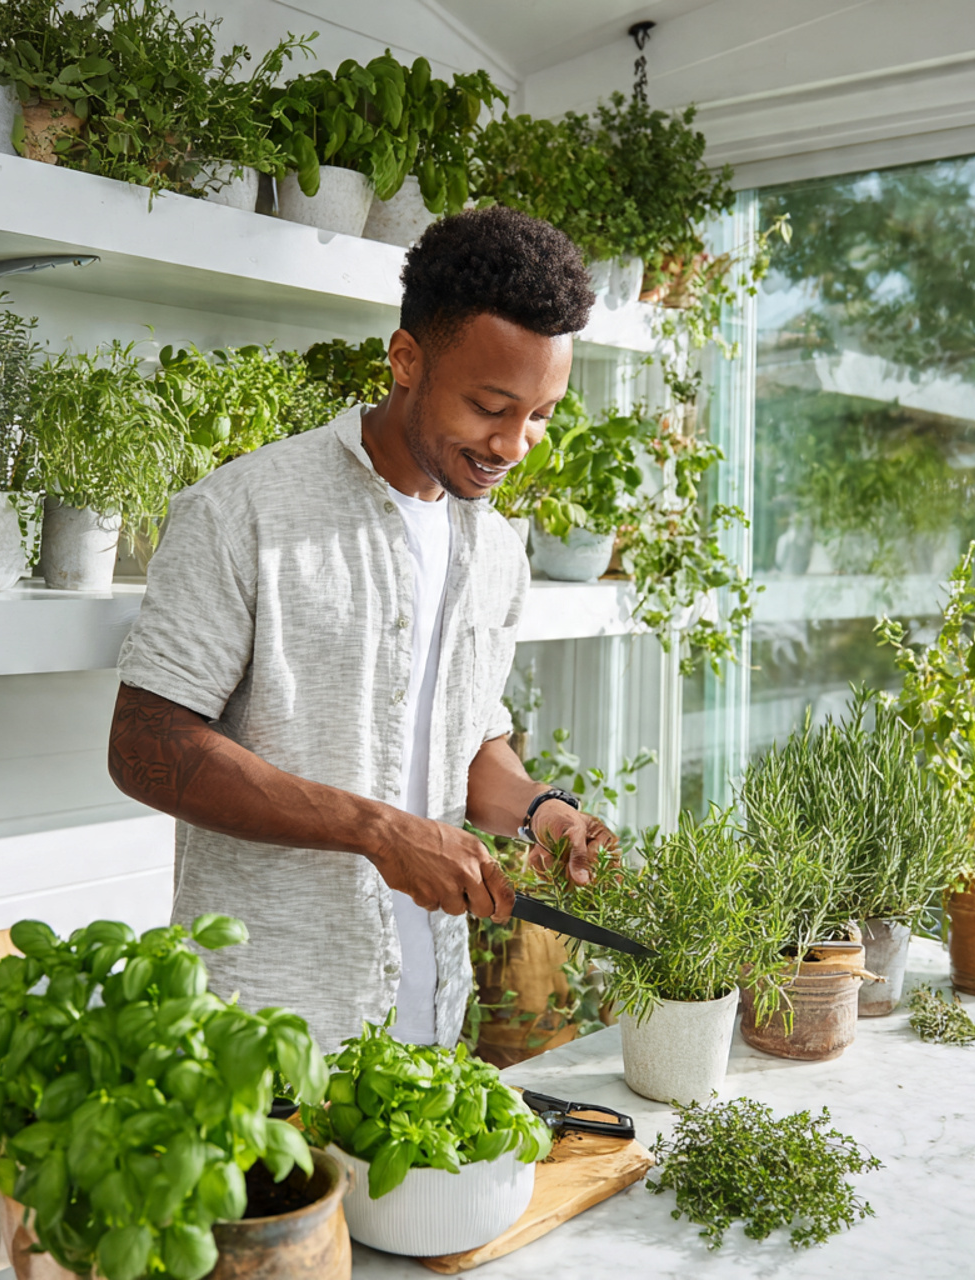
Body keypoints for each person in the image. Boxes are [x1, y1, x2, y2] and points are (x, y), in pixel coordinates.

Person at [108, 206, 618, 1051]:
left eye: (541, 414)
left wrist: (540, 811)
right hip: (262, 1029)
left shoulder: (495, 551)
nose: (515, 444)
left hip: (430, 1018)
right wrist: (377, 831)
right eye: (492, 406)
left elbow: (464, 743)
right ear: (406, 361)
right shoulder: (245, 513)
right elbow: (143, 745)